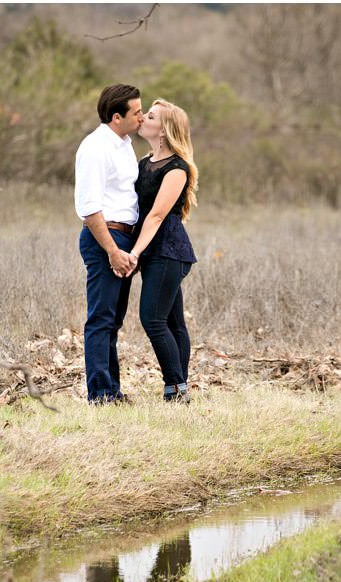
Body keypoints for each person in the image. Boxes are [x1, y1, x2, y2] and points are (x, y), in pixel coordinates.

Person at [125, 99, 199, 402]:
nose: (142, 118)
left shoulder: (177, 169)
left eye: (150, 116)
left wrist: (134, 253)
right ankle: (180, 391)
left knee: (153, 319)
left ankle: (175, 388)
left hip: (169, 251)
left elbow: (156, 215)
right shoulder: (144, 163)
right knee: (172, 322)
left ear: (164, 130)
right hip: (154, 250)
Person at [75, 83, 144, 404]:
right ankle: (100, 394)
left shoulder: (124, 144)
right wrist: (113, 251)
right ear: (117, 116)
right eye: (138, 112)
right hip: (106, 238)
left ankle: (112, 390)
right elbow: (89, 208)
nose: (142, 117)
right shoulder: (95, 147)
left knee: (113, 320)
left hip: (125, 238)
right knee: (100, 318)